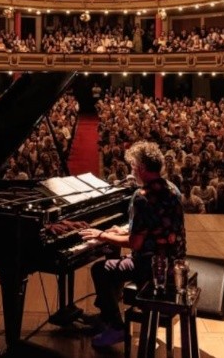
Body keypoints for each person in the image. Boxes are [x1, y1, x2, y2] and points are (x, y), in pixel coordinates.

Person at [79, 141, 186, 348]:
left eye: (133, 166)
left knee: (100, 270)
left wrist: (102, 235)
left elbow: (135, 244)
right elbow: (155, 226)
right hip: (174, 260)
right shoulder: (172, 188)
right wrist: (124, 229)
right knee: (114, 260)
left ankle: (116, 327)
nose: (131, 171)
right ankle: (107, 316)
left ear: (142, 168)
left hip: (153, 267)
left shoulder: (142, 196)